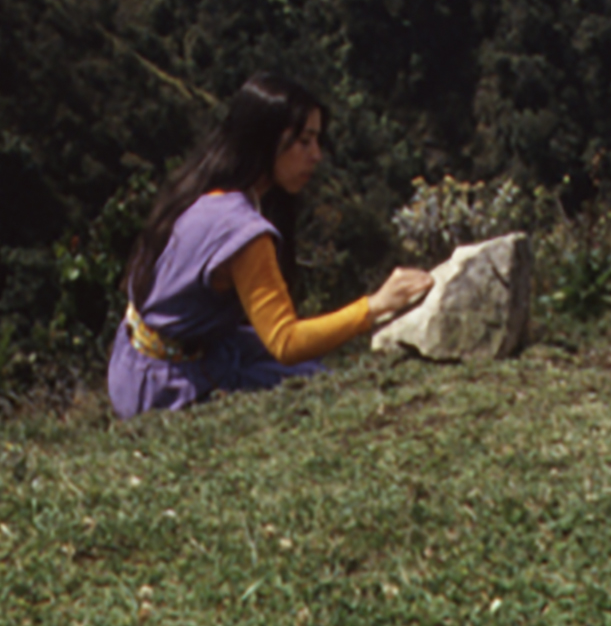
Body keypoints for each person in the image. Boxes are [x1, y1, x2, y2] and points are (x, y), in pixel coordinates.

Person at [107, 73, 436, 419]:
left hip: (134, 363)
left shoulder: (200, 189)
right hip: (166, 388)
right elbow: (285, 341)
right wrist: (377, 305)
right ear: (266, 142)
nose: (316, 155)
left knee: (310, 368)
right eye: (304, 141)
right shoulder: (244, 234)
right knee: (321, 384)